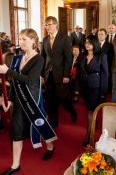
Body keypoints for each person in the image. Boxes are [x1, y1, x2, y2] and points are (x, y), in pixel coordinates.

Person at [0, 29, 57, 175]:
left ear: (33, 40)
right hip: (18, 101)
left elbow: (30, 80)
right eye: (20, 39)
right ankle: (15, 165)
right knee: (17, 132)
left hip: (32, 101)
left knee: (39, 126)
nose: (21, 42)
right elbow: (14, 83)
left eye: (24, 39)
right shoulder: (17, 58)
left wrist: (8, 71)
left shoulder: (39, 59)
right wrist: (10, 100)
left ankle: (50, 146)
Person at [41, 16, 77, 128]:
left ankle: (72, 110)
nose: (47, 27)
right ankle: (53, 122)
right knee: (50, 100)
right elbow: (43, 57)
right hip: (48, 74)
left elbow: (68, 58)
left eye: (50, 24)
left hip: (60, 74)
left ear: (56, 24)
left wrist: (66, 75)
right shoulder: (45, 39)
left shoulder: (65, 38)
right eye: (46, 25)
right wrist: (41, 74)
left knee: (62, 97)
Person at [74, 35, 108, 147]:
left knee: (90, 112)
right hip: (84, 87)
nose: (87, 44)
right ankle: (94, 122)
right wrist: (77, 87)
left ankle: (88, 136)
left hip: (96, 88)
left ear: (94, 44)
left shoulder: (101, 56)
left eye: (89, 42)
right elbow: (78, 73)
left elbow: (104, 74)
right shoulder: (82, 56)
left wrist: (103, 91)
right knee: (90, 110)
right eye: (86, 42)